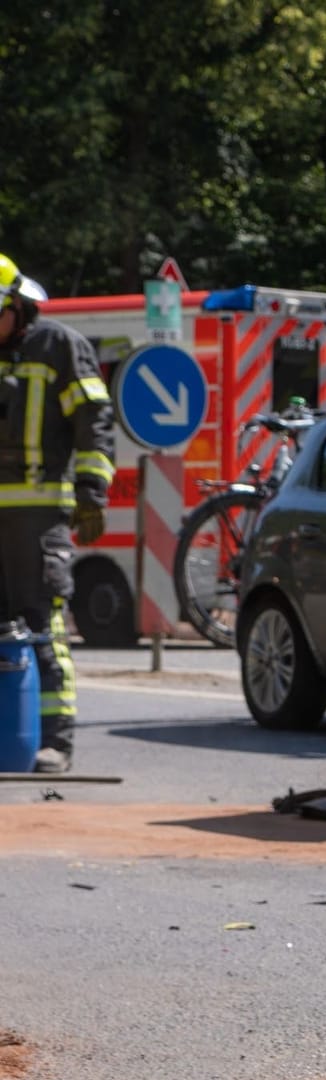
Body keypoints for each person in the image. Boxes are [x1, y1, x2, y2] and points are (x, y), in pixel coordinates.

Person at [0, 255, 115, 773]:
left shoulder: (59, 348)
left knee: (40, 623)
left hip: (38, 514)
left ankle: (55, 741)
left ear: (19, 307)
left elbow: (94, 420)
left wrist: (92, 489)